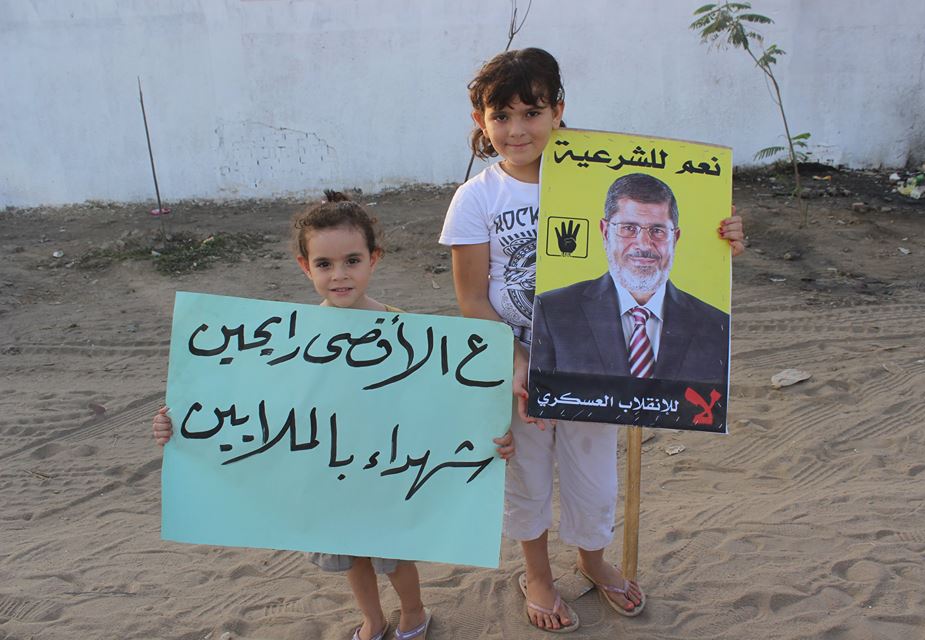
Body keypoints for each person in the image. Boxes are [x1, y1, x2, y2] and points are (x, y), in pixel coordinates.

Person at [439, 48, 744, 633]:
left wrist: (722, 235)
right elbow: (473, 300)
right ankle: (537, 575)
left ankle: (593, 561)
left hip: (598, 363)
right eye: (501, 116)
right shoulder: (476, 198)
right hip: (517, 367)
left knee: (594, 476)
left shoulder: (596, 182)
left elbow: (670, 234)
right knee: (527, 478)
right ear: (481, 121)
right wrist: (517, 360)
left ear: (558, 111)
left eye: (532, 112)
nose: (517, 129)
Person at [152, 191, 516, 640]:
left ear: (373, 259)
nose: (339, 275)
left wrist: (489, 435)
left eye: (352, 261)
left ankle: (414, 613)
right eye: (324, 264)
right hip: (328, 475)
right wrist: (182, 425)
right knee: (351, 557)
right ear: (305, 266)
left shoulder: (410, 332)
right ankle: (372, 619)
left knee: (394, 555)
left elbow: (444, 401)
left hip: (389, 472)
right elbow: (251, 404)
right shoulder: (288, 341)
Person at [530, 172, 732, 384]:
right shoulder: (553, 311)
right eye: (628, 228)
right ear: (605, 232)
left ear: (675, 238)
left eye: (657, 230)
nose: (643, 244)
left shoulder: (716, 326)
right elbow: (541, 390)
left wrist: (724, 243)